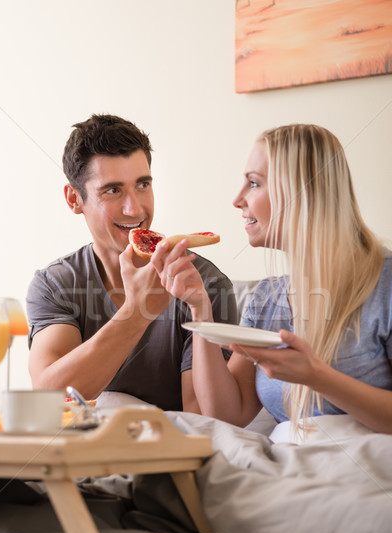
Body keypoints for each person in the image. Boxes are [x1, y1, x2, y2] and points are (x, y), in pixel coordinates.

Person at [151, 124, 392, 433]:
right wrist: (200, 309)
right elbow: (225, 414)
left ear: (303, 192)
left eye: (254, 183)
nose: (237, 199)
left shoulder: (385, 285)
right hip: (290, 467)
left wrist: (317, 376)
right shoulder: (269, 298)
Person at [26, 114, 237, 411]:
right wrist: (137, 312)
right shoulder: (55, 284)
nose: (134, 208)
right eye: (113, 190)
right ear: (74, 199)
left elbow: (202, 418)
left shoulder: (205, 283)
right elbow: (49, 398)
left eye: (142, 185)